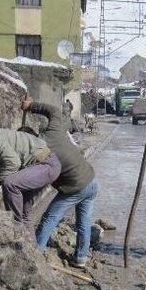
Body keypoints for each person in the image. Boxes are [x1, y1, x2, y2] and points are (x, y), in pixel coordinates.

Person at [20, 96, 98, 268]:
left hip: (75, 187)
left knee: (48, 218)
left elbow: (34, 184)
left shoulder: (37, 155)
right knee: (84, 223)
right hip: (91, 180)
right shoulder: (54, 131)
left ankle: (35, 255)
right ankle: (80, 258)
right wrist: (31, 105)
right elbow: (54, 111)